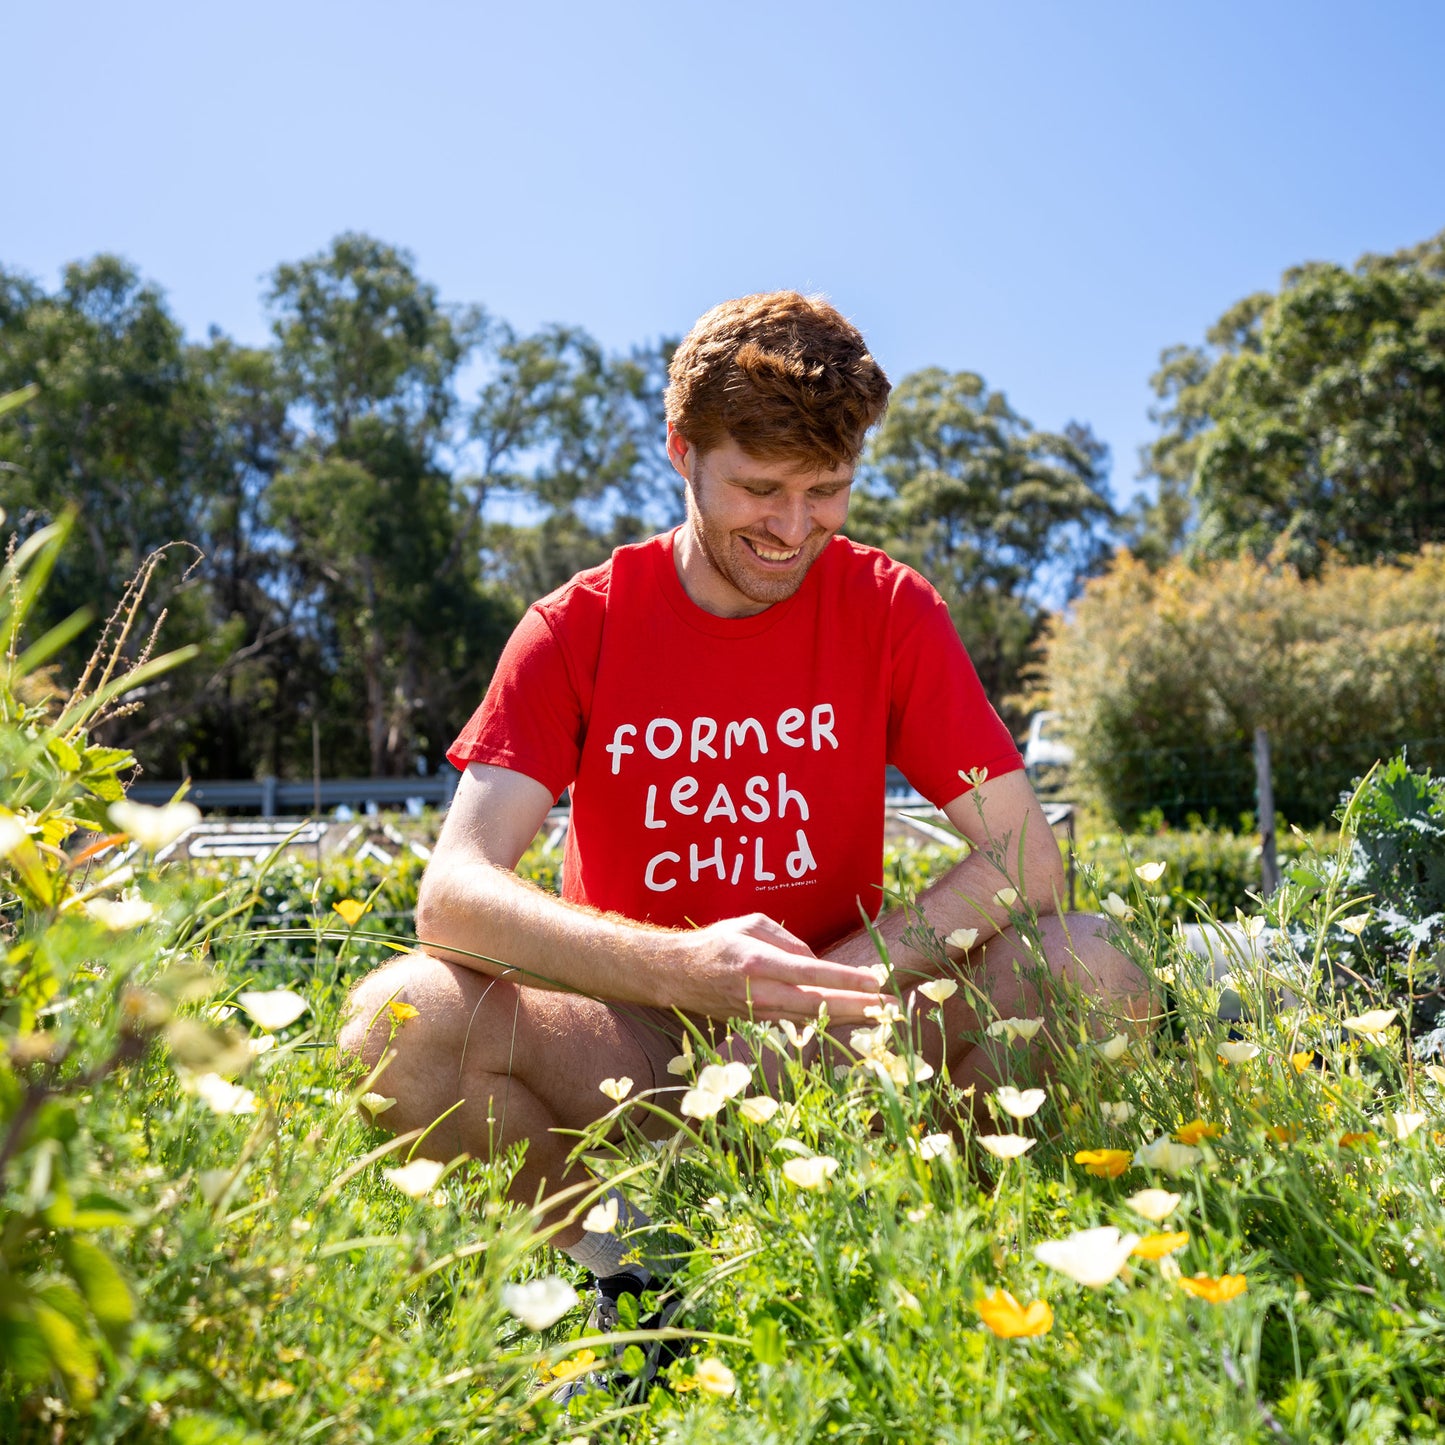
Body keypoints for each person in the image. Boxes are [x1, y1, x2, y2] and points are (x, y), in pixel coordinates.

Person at [339, 290, 1144, 1389]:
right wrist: (693, 971)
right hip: (637, 1050)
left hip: (845, 1035)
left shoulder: (888, 608)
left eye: (827, 491)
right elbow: (455, 895)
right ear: (681, 452)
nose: (791, 525)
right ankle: (621, 1284)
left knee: (1087, 960)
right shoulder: (577, 625)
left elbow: (1023, 855)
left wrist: (835, 981)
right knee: (403, 1013)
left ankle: (957, 1272)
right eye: (759, 488)